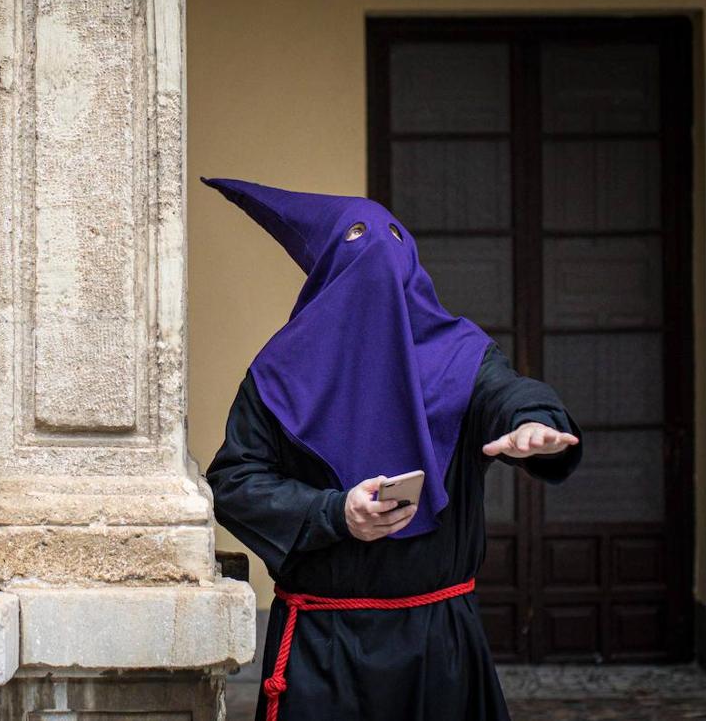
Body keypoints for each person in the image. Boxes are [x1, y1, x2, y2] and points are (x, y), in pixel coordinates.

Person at [200, 177, 583, 721]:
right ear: (331, 277)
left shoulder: (461, 357)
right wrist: (336, 512)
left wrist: (534, 421)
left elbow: (508, 392)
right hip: (323, 648)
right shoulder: (279, 376)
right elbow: (235, 481)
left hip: (439, 644)